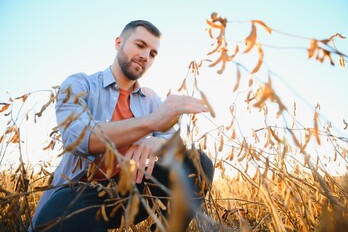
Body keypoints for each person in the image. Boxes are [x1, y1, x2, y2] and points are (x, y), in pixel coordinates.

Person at [30, 20, 214, 231]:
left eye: (153, 53)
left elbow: (172, 142)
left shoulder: (151, 99)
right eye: (140, 45)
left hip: (132, 188)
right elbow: (78, 137)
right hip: (81, 194)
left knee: (198, 163)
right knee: (59, 213)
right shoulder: (81, 85)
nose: (146, 56)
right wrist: (149, 123)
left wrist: (155, 142)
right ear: (119, 43)